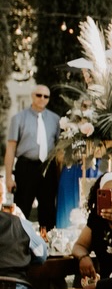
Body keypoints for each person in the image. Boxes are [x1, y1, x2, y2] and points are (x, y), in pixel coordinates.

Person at [5, 84, 61, 229]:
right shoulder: (18, 118)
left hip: (47, 169)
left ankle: (47, 245)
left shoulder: (55, 120)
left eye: (46, 96)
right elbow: (11, 148)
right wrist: (9, 177)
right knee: (21, 210)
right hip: (26, 167)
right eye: (39, 95)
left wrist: (59, 174)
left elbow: (59, 149)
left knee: (48, 211)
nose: (42, 98)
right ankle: (17, 244)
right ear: (32, 96)